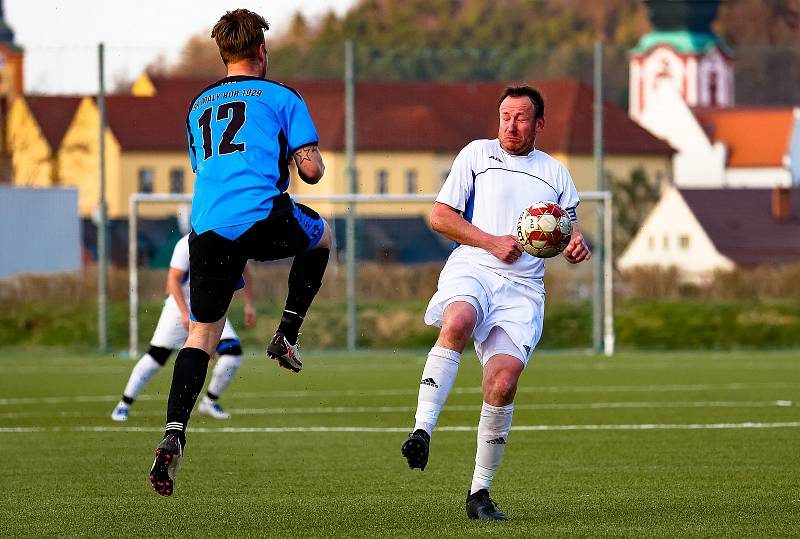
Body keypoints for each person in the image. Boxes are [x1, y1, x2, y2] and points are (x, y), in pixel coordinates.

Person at [148, 9, 331, 497]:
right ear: (263, 51)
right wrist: (305, 156)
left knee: (201, 335)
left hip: (206, 226)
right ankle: (287, 335)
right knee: (322, 235)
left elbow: (204, 165)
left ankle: (173, 433)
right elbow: (310, 172)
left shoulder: (198, 103)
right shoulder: (282, 96)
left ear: (222, 53)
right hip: (260, 214)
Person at [400, 86, 591, 520]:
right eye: (505, 116)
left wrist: (575, 246)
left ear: (539, 124)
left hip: (523, 290)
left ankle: (479, 494)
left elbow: (565, 233)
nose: (511, 125)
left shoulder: (557, 175)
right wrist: (490, 241)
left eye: (521, 118)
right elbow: (441, 216)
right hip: (475, 266)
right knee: (459, 318)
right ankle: (422, 430)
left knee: (502, 385)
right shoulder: (477, 155)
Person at [110, 234, 255, 422]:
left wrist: (249, 304)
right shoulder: (185, 244)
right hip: (180, 307)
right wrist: (185, 312)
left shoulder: (231, 240)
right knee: (156, 357)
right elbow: (172, 280)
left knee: (232, 354)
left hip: (211, 305)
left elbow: (245, 272)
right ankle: (123, 404)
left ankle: (209, 402)